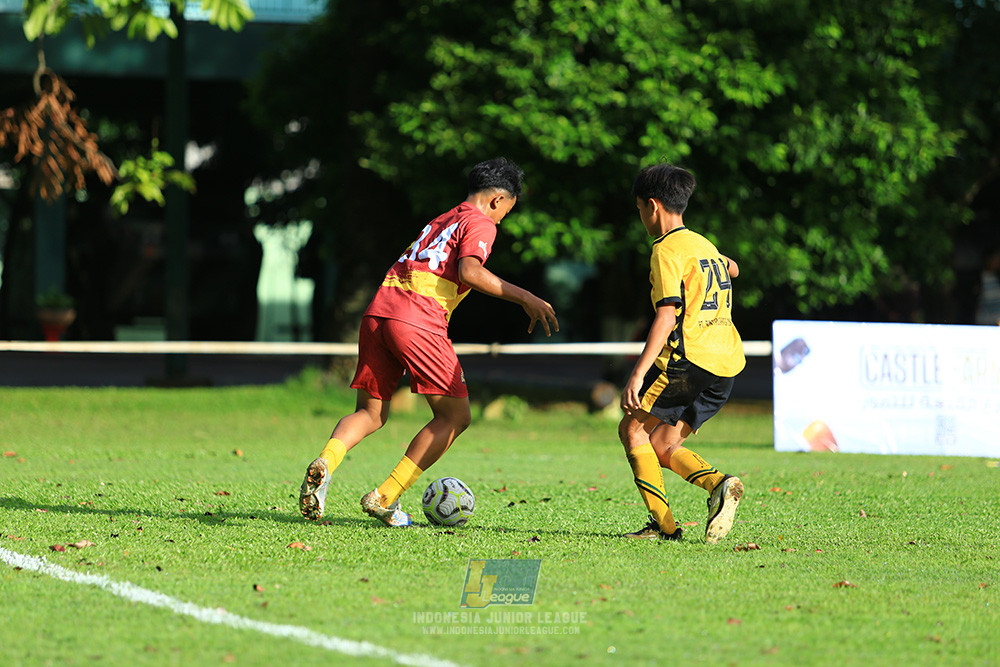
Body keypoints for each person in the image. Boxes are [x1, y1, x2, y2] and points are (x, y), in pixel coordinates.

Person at [299, 157, 559, 527]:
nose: (502, 220)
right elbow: (470, 270)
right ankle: (384, 496)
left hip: (379, 312)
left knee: (370, 414)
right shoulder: (481, 221)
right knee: (456, 416)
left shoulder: (442, 219)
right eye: (507, 212)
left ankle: (326, 460)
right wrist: (525, 297)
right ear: (499, 200)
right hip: (418, 319)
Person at [618, 163, 745, 544]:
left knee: (632, 430)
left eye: (640, 209)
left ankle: (664, 528)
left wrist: (638, 373)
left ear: (652, 206)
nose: (641, 217)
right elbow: (733, 268)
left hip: (690, 362)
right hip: (727, 362)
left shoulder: (666, 249)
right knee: (662, 444)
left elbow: (667, 313)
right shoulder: (702, 244)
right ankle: (721, 484)